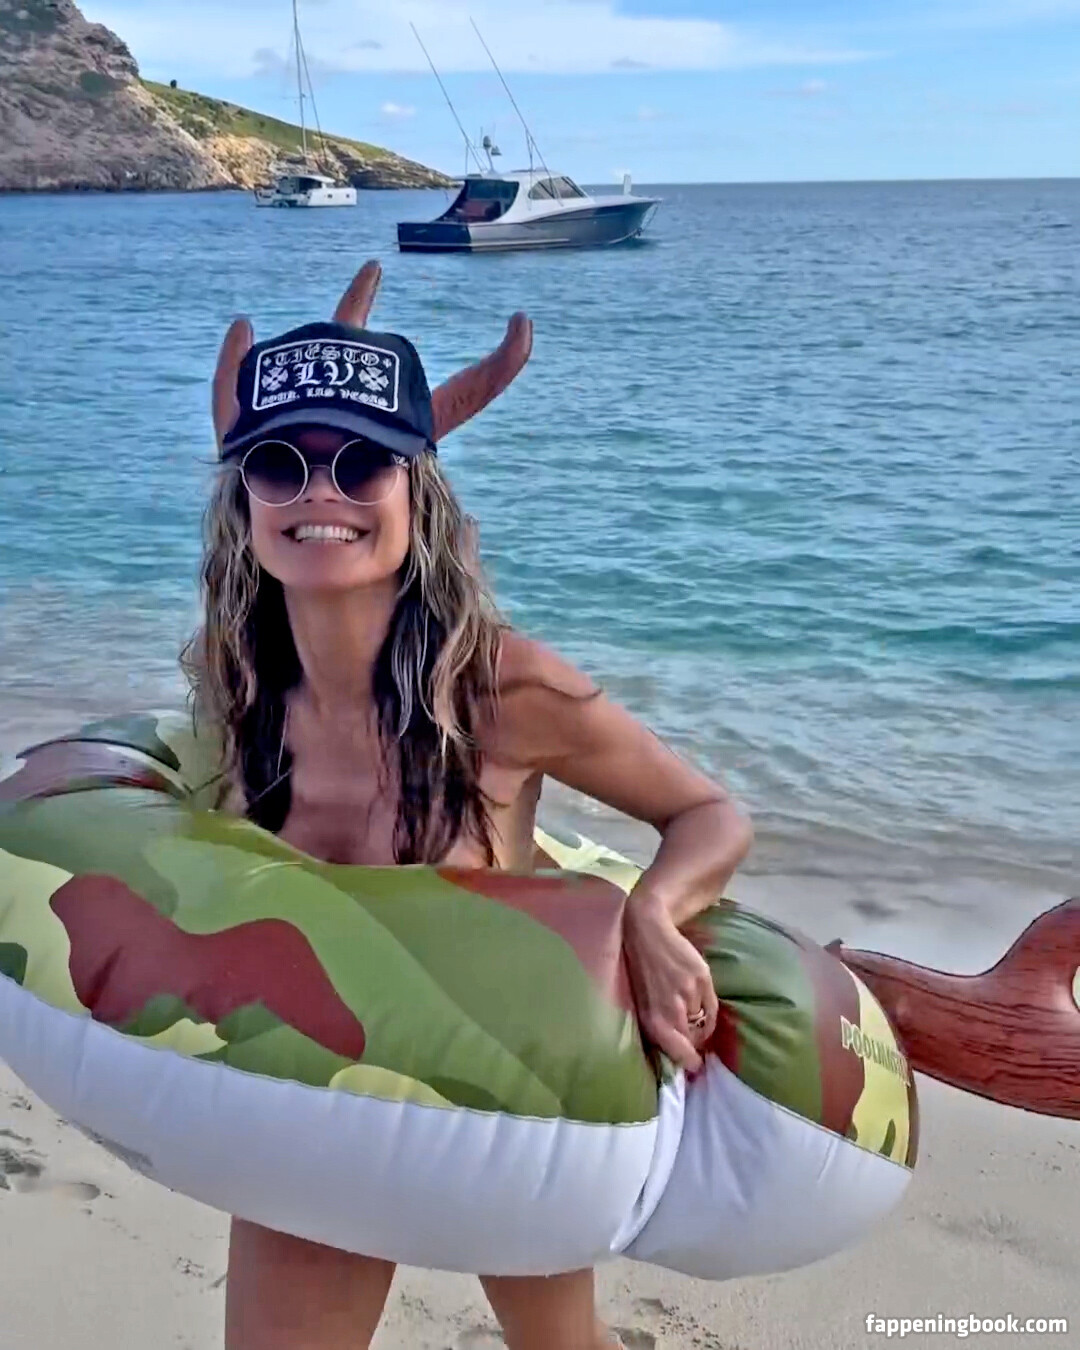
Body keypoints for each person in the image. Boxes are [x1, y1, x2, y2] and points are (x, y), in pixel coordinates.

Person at [184, 260, 753, 1350]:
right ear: (241, 498)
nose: (319, 495)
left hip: (506, 1090)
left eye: (363, 462)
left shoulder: (499, 690)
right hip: (322, 1093)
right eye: (278, 464)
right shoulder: (239, 686)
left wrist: (653, 911)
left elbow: (710, 815)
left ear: (420, 493)